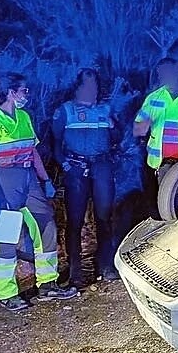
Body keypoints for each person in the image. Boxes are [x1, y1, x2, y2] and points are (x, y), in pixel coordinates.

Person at [0, 73, 78, 311]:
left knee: (46, 227)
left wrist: (45, 180)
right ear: (11, 92)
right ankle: (7, 293)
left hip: (28, 177)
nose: (27, 95)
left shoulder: (23, 117)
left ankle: (47, 284)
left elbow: (32, 153)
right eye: (24, 90)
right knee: (6, 237)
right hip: (4, 179)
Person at [52, 68, 120, 287]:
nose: (92, 90)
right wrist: (65, 165)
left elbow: (118, 137)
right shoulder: (66, 110)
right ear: (78, 87)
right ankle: (75, 272)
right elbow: (53, 143)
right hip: (76, 168)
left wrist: (113, 125)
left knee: (104, 217)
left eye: (95, 86)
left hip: (101, 166)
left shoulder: (105, 109)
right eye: (87, 86)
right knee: (75, 220)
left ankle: (106, 266)